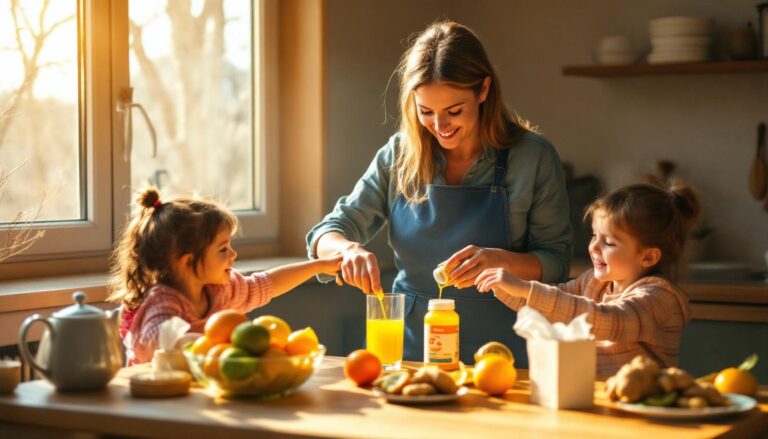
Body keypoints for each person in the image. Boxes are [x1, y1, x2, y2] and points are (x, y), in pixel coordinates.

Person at [306, 21, 572, 366]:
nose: (440, 126)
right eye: (426, 112)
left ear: (484, 90)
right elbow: (326, 232)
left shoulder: (533, 157)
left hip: (504, 352)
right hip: (410, 352)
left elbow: (557, 261)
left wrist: (500, 260)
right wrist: (347, 249)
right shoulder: (399, 154)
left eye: (454, 111)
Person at [475, 182, 700, 377]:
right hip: (599, 400)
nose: (594, 247)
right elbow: (552, 307)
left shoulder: (659, 297)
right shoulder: (593, 282)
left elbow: (609, 320)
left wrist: (525, 287)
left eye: (609, 242)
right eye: (594, 236)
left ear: (648, 256)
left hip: (644, 408)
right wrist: (500, 284)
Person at [108, 188, 341, 365]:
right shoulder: (163, 301)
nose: (233, 254)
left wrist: (317, 266)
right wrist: (230, 342)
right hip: (157, 407)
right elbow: (158, 341)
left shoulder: (220, 288)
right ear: (187, 261)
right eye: (223, 249)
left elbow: (266, 284)